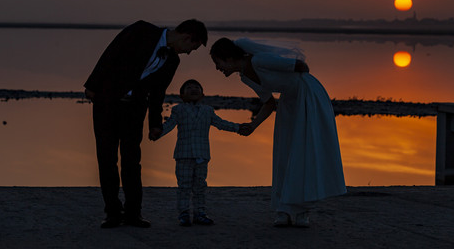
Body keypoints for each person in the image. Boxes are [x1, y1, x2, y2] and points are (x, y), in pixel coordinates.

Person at [209, 37, 346, 228]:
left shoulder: (259, 61)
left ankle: (302, 211)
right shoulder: (245, 77)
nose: (218, 68)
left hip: (307, 95)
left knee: (302, 152)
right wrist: (253, 126)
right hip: (289, 101)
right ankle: (284, 209)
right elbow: (269, 103)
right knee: (285, 152)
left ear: (229, 58)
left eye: (218, 63)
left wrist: (296, 88)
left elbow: (300, 66)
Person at [84, 19, 207, 228]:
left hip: (134, 110)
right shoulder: (141, 30)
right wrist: (92, 84)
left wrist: (155, 124)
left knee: (132, 161)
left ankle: (133, 213)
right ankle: (113, 212)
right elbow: (111, 53)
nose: (188, 53)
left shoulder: (172, 61)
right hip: (107, 103)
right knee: (106, 158)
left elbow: (158, 93)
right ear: (187, 37)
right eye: (191, 48)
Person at [150, 79, 241, 226]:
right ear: (182, 95)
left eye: (197, 87)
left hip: (202, 155)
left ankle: (200, 213)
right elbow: (169, 125)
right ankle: (184, 213)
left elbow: (221, 124)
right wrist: (157, 133)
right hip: (183, 155)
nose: (193, 89)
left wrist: (239, 128)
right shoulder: (178, 110)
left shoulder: (208, 111)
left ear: (203, 94)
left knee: (200, 186)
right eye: (189, 87)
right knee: (184, 186)